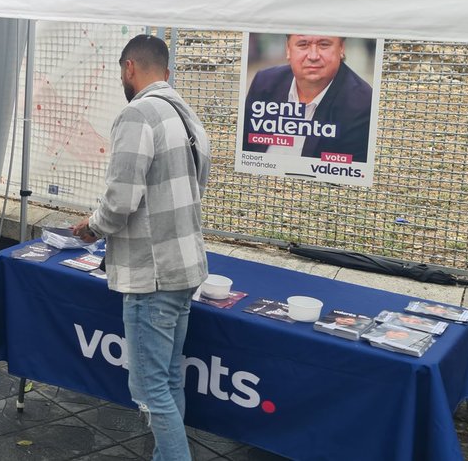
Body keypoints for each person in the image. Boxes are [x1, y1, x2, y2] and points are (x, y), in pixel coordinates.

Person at [72, 34, 211, 461]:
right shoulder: (186, 114)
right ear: (165, 71)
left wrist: (92, 227)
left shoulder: (138, 114)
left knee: (150, 388)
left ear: (129, 67)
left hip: (152, 274)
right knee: (168, 379)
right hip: (185, 267)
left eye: (121, 72)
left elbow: (121, 199)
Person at [241, 34, 373, 162]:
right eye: (303, 44)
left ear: (341, 48)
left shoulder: (362, 103)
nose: (313, 56)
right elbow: (244, 151)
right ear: (288, 49)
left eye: (324, 44)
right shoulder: (264, 82)